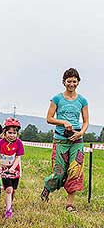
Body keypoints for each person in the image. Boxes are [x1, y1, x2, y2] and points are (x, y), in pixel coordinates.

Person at [41, 68, 89, 212]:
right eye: (69, 81)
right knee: (59, 173)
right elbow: (49, 118)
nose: (72, 84)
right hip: (61, 140)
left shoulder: (82, 100)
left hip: (76, 140)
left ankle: (70, 204)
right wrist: (63, 122)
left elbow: (86, 121)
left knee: (76, 170)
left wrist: (81, 133)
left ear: (78, 82)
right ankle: (48, 187)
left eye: (74, 81)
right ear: (64, 82)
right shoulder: (57, 99)